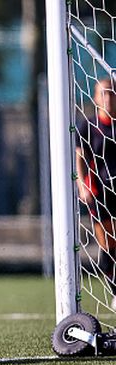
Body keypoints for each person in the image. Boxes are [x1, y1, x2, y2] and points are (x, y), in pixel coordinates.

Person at [76, 77, 116, 309]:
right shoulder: (88, 126)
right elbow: (80, 158)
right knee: (108, 247)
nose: (108, 98)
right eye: (104, 93)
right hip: (99, 192)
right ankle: (114, 290)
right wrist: (82, 184)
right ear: (95, 98)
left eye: (111, 93)